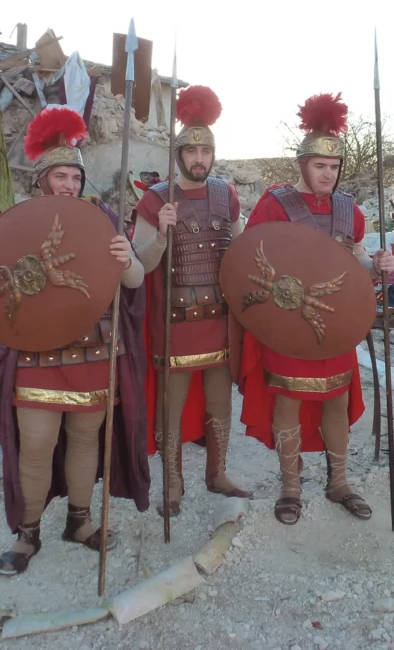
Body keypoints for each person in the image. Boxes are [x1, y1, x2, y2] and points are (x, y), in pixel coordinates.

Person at [0, 106, 151, 576]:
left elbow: (135, 280)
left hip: (95, 348)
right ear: (42, 180)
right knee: (35, 441)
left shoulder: (105, 218)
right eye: (60, 176)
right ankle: (28, 533)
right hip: (37, 348)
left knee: (85, 439)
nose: (69, 185)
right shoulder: (18, 220)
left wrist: (125, 257)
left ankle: (79, 522)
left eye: (75, 177)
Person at [236, 93, 394, 525]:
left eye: (334, 166)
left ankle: (339, 482)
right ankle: (291, 487)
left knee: (336, 400)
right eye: (320, 166)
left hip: (336, 322)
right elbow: (251, 260)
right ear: (303, 165)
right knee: (287, 399)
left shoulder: (350, 210)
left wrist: (377, 262)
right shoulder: (275, 204)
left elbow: (356, 259)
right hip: (287, 321)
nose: (328, 173)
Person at [132, 85, 251, 517]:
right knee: (171, 407)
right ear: (179, 156)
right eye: (191, 151)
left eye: (206, 151)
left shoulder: (227, 195)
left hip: (220, 320)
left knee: (221, 403)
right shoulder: (155, 199)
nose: (199, 158)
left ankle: (216, 473)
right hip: (175, 322)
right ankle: (173, 483)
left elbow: (240, 255)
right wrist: (161, 234)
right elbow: (140, 267)